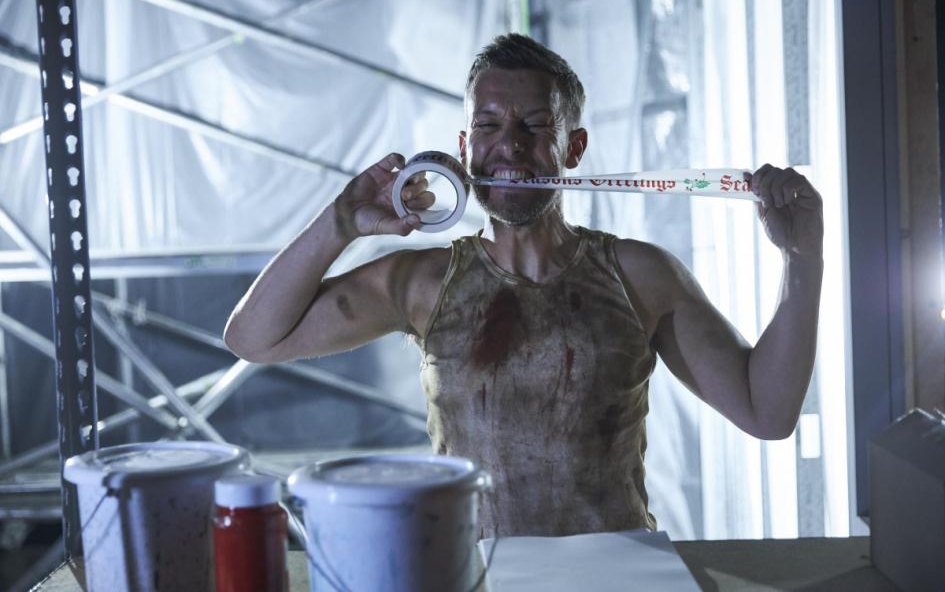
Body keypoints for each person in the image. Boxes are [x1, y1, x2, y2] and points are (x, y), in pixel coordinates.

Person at [224, 34, 823, 538]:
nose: (510, 144)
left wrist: (802, 256)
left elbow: (767, 411)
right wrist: (340, 223)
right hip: (480, 573)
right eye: (488, 125)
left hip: (615, 576)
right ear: (465, 149)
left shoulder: (640, 274)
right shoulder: (424, 282)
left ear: (574, 147)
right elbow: (253, 338)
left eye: (535, 125)